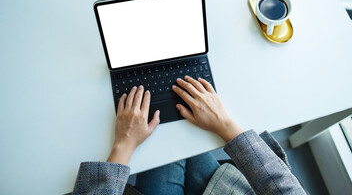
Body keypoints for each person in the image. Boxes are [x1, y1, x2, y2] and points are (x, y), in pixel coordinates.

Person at [71, 76, 306, 195]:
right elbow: (281, 187)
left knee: (162, 127)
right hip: (224, 189)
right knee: (175, 125)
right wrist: (224, 124)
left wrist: (123, 145)